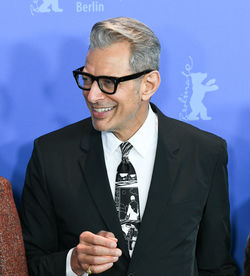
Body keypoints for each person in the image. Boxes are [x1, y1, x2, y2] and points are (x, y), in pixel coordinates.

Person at [20, 17, 237, 276]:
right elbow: (28, 266)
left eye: (108, 82)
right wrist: (73, 263)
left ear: (148, 85)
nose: (92, 95)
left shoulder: (204, 152)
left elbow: (215, 265)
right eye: (87, 79)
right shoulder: (50, 155)